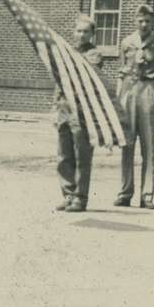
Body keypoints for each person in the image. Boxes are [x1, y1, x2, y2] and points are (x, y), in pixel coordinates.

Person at [116, 4, 154, 210]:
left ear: (153, 21)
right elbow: (122, 73)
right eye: (141, 20)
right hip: (130, 91)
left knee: (149, 147)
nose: (144, 24)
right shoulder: (127, 43)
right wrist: (118, 100)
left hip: (150, 91)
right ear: (135, 20)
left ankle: (147, 195)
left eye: (148, 20)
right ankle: (124, 192)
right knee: (127, 143)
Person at [53, 15, 104, 213]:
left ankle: (80, 198)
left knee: (82, 155)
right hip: (64, 108)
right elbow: (59, 81)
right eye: (78, 31)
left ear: (92, 34)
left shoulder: (94, 55)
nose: (81, 35)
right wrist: (55, 108)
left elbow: (83, 76)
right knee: (63, 155)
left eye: (86, 32)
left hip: (83, 111)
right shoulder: (68, 52)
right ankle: (67, 194)